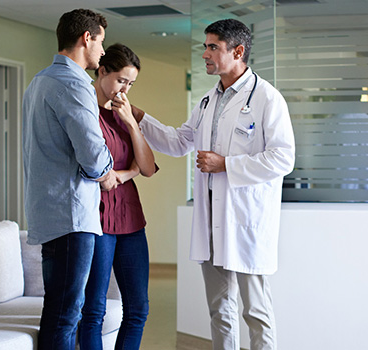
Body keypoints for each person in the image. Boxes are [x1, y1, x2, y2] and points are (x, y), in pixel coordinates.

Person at [133, 19, 296, 350]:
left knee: (256, 311)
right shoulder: (208, 100)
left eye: (212, 47)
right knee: (219, 310)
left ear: (237, 52)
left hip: (246, 222)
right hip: (211, 222)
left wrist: (226, 165)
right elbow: (179, 142)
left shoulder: (267, 98)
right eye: (204, 46)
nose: (205, 53)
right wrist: (138, 116)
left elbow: (283, 158)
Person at [22, 9, 119, 350]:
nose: (103, 52)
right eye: (101, 42)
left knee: (59, 310)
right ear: (86, 38)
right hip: (72, 217)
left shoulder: (39, 82)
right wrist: (106, 175)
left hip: (49, 213)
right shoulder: (74, 85)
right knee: (66, 316)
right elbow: (93, 156)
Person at [78, 43, 157, 350]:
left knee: (138, 309)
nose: (124, 89)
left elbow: (147, 168)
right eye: (121, 80)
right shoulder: (85, 114)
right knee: (94, 309)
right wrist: (127, 171)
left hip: (131, 219)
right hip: (96, 220)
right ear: (102, 72)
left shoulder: (126, 114)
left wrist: (131, 125)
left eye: (131, 83)